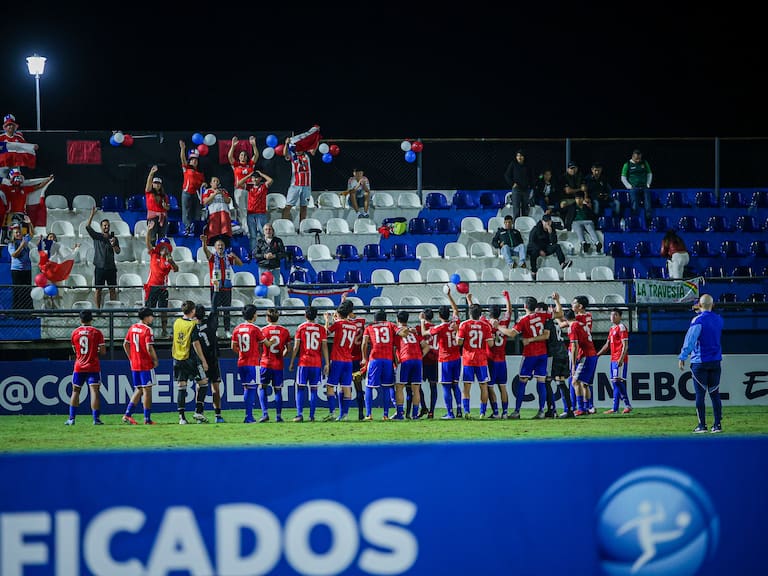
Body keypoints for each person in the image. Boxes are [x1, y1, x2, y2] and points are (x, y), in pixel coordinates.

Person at [495, 296, 550, 419]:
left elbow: (512, 333)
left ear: (525, 306)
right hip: (542, 353)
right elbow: (556, 316)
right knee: (541, 381)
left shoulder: (523, 320)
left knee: (522, 381)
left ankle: (517, 411)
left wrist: (498, 327)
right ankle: (541, 411)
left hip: (530, 354)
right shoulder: (543, 315)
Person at [678, 294, 724, 433]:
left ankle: (702, 425)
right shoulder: (719, 320)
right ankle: (717, 425)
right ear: (713, 304)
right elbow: (709, 323)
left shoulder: (697, 320)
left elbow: (690, 340)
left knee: (700, 395)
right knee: (715, 394)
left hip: (700, 362)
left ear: (699, 305)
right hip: (715, 361)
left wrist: (682, 357)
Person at [423, 289, 463, 419]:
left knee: (446, 386)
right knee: (455, 385)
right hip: (457, 358)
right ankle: (459, 410)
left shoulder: (439, 328)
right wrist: (449, 296)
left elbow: (424, 334)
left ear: (439, 316)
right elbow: (456, 310)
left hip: (445, 359)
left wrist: (422, 321)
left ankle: (450, 413)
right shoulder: (454, 323)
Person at [456, 294, 494, 419]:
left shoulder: (464, 325)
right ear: (480, 313)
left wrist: (458, 335)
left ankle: (467, 412)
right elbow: (491, 343)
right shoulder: (485, 326)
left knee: (466, 387)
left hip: (468, 359)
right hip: (481, 360)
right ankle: (482, 413)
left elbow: (459, 342)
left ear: (469, 312)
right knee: (483, 386)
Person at [288, 306, 329, 422]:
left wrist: (291, 361)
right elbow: (324, 347)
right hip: (316, 363)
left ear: (305, 315)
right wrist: (327, 363)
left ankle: (299, 414)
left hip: (304, 362)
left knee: (300, 388)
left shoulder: (301, 328)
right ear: (316, 316)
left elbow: (296, 347)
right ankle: (312, 416)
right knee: (314, 389)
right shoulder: (321, 329)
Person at [172, 300, 209, 425]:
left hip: (178, 357)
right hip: (190, 358)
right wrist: (203, 361)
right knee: (203, 383)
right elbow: (195, 343)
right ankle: (198, 411)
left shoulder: (177, 322)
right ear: (193, 311)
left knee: (182, 386)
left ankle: (181, 418)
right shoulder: (193, 325)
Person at [66, 309, 106, 426]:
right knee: (94, 392)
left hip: (79, 366)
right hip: (93, 366)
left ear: (80, 319)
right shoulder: (97, 332)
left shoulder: (75, 333)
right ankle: (96, 419)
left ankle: (71, 419)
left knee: (75, 391)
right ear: (91, 319)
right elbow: (103, 351)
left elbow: (75, 350)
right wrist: (94, 351)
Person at [536, 299, 574, 418]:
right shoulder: (555, 322)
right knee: (560, 381)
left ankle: (551, 410)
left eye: (537, 310)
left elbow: (546, 337)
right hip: (562, 352)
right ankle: (569, 410)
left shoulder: (546, 321)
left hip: (553, 354)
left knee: (547, 381)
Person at [323, 300, 360, 421]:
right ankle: (344, 415)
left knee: (330, 386)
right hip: (348, 360)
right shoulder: (354, 326)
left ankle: (332, 413)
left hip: (337, 359)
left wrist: (327, 321)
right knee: (346, 387)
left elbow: (325, 333)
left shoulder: (337, 324)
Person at [201, 234, 243, 338]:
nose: (220, 247)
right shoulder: (212, 257)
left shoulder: (228, 258)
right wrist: (204, 243)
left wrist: (235, 256)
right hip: (216, 289)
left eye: (222, 245)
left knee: (226, 311)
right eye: (218, 245)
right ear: (215, 247)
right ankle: (214, 330)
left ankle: (227, 330)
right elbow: (205, 251)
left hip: (227, 288)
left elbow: (240, 264)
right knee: (215, 311)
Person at [122, 307, 158, 425]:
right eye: (151, 316)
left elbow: (125, 344)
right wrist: (155, 359)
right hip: (145, 364)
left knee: (139, 389)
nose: (152, 318)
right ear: (146, 317)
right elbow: (149, 347)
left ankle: (127, 415)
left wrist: (131, 358)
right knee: (147, 391)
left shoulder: (132, 328)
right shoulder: (147, 330)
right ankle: (147, 419)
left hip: (135, 364)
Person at [361, 309, 399, 420]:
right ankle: (385, 415)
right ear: (385, 318)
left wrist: (364, 358)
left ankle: (369, 414)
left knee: (369, 386)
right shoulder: (390, 325)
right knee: (386, 387)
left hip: (375, 358)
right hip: (388, 359)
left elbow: (364, 343)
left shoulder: (369, 327)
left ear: (374, 319)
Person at [143, 222, 178, 338]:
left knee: (163, 311)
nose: (163, 249)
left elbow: (176, 269)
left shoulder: (168, 260)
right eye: (162, 247)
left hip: (162, 288)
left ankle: (164, 330)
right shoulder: (154, 255)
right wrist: (149, 230)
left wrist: (171, 261)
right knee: (149, 310)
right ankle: (149, 331)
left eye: (165, 248)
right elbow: (147, 244)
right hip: (151, 287)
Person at [393, 310, 428, 420]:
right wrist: (419, 357)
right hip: (417, 360)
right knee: (416, 388)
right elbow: (426, 347)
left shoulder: (397, 332)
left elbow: (394, 348)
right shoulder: (414, 332)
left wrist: (396, 360)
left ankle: (399, 413)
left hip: (405, 359)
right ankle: (414, 415)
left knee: (399, 387)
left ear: (397, 320)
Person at [259, 307, 292, 423]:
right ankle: (278, 416)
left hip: (265, 363)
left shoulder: (262, 330)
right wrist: (281, 356)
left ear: (267, 318)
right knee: (278, 390)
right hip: (278, 364)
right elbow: (288, 349)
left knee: (262, 387)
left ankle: (265, 414)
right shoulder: (285, 331)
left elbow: (259, 347)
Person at [483, 290, 512, 419]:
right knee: (503, 387)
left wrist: (470, 300)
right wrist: (507, 297)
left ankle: (495, 412)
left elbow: (476, 314)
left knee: (490, 387)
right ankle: (505, 412)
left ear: (490, 313)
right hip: (502, 360)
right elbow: (509, 311)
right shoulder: (504, 323)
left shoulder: (486, 324)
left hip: (490, 360)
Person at [597, 308, 633, 414]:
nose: (612, 317)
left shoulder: (621, 328)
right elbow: (607, 345)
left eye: (615, 315)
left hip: (619, 359)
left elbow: (625, 345)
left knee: (617, 381)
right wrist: (597, 355)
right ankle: (615, 408)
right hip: (613, 359)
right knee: (615, 382)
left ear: (620, 317)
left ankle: (627, 405)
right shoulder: (612, 329)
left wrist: (621, 358)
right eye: (611, 315)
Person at [84, 205, 121, 308]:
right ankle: (98, 310)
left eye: (108, 225)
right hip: (100, 267)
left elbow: (118, 251)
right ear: (101, 227)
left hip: (111, 268)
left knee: (112, 290)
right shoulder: (97, 236)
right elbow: (87, 227)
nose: (106, 227)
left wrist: (114, 244)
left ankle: (113, 310)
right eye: (104, 225)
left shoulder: (114, 238)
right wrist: (92, 214)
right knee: (98, 290)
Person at [564, 308, 598, 416]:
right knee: (584, 384)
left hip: (586, 356)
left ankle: (580, 408)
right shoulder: (580, 324)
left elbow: (574, 346)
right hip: (592, 355)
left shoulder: (573, 327)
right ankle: (587, 407)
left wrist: (573, 365)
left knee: (574, 382)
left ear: (566, 319)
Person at [195, 304, 225, 423]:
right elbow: (214, 308)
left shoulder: (193, 327)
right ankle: (217, 415)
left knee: (200, 387)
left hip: (200, 360)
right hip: (212, 360)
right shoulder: (211, 323)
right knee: (215, 388)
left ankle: (199, 413)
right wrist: (216, 290)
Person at [282, 135, 317, 225]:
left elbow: (313, 148)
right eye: (297, 148)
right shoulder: (293, 155)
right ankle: (283, 225)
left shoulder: (307, 155)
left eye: (300, 148)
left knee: (304, 207)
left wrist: (316, 137)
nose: (298, 150)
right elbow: (285, 154)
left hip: (306, 186)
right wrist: (286, 144)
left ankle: (302, 226)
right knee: (288, 206)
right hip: (295, 185)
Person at [228, 135, 259, 234]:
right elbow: (229, 157)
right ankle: (244, 229)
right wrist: (233, 146)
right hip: (239, 190)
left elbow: (256, 155)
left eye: (245, 155)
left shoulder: (250, 165)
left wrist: (254, 145)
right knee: (241, 211)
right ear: (239, 157)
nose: (243, 157)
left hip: (250, 190)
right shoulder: (236, 165)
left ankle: (251, 228)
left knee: (250, 210)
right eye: (241, 155)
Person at [240, 168, 274, 254]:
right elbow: (239, 183)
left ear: (260, 179)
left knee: (264, 234)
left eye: (257, 178)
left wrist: (261, 174)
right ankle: (254, 253)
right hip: (250, 214)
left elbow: (271, 180)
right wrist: (248, 175)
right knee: (253, 236)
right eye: (253, 178)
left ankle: (265, 252)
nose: (254, 179)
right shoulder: (249, 187)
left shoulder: (263, 186)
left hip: (261, 214)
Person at [179, 141, 205, 236]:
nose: (194, 161)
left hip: (196, 194)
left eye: (196, 160)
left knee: (197, 212)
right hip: (186, 193)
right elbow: (182, 159)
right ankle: (187, 229)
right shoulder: (186, 169)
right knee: (186, 212)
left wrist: (204, 184)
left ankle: (196, 229)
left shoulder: (200, 173)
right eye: (192, 160)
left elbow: (202, 184)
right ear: (189, 161)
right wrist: (182, 149)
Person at [620, 149, 653, 224]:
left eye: (639, 158)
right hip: (634, 188)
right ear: (633, 156)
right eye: (636, 159)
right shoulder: (627, 164)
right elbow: (623, 177)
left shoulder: (644, 163)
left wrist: (648, 184)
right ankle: (635, 221)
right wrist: (629, 186)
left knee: (648, 205)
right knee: (634, 205)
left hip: (644, 187)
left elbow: (649, 173)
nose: (638, 160)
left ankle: (648, 221)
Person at [418, 308, 439, 419]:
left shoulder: (420, 328)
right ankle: (431, 411)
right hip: (435, 359)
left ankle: (424, 406)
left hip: (423, 359)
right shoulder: (436, 328)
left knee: (417, 386)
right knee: (433, 386)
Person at [201, 176, 234, 247]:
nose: (216, 183)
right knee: (214, 233)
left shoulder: (224, 191)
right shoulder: (208, 191)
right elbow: (205, 202)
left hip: (224, 214)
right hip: (214, 214)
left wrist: (222, 194)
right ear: (210, 183)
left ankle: (226, 248)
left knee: (225, 233)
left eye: (217, 181)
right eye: (214, 181)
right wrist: (214, 194)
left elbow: (228, 201)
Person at [8, 222, 33, 312]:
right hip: (16, 270)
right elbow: (14, 255)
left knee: (27, 291)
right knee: (18, 290)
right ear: (13, 235)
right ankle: (17, 312)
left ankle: (28, 312)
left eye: (19, 232)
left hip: (27, 269)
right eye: (16, 233)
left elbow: (31, 234)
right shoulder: (11, 244)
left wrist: (29, 223)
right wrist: (21, 246)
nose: (18, 234)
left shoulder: (25, 239)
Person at [503, 149, 534, 220]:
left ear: (524, 157)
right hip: (517, 190)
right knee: (516, 209)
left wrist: (530, 185)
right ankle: (516, 225)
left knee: (525, 208)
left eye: (521, 156)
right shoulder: (513, 164)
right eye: (518, 156)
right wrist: (512, 183)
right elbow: (507, 175)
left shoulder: (528, 165)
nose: (519, 157)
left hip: (526, 190)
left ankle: (524, 223)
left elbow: (532, 176)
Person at [145, 165, 170, 245]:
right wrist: (151, 173)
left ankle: (160, 254)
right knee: (152, 237)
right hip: (152, 218)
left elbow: (168, 207)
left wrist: (165, 206)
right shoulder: (149, 193)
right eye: (155, 183)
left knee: (162, 238)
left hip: (163, 218)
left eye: (159, 183)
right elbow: (148, 184)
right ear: (152, 184)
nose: (157, 185)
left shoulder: (164, 196)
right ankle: (152, 254)